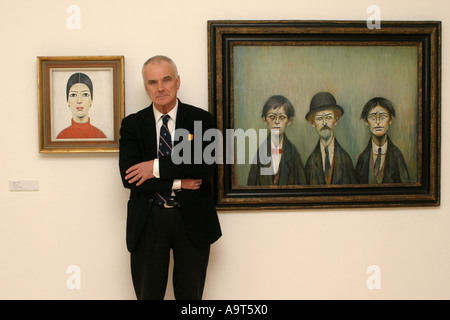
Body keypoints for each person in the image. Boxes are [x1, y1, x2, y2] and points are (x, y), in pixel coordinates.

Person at [118, 55, 222, 300]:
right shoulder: (132, 125)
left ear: (177, 81)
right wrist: (179, 182)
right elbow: (130, 177)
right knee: (148, 295)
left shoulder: (201, 119)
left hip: (192, 219)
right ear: (146, 88)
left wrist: (153, 166)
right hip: (149, 219)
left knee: (191, 298)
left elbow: (204, 165)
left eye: (166, 80)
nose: (160, 87)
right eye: (153, 82)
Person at [247, 95, 306, 185]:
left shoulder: (293, 153)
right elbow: (251, 186)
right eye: (272, 117)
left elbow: (302, 186)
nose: (277, 121)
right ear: (264, 119)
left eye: (282, 117)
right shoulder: (260, 153)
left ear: (289, 120)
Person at [304, 92, 358, 185]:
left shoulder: (346, 160)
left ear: (336, 120)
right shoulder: (310, 162)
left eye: (328, 117)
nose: (324, 123)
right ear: (313, 123)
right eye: (320, 119)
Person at [355, 97, 410, 183]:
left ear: (390, 119)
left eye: (383, 117)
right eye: (372, 117)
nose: (378, 121)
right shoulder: (362, 159)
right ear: (366, 121)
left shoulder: (397, 157)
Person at [57, 72, 106, 139]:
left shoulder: (100, 136)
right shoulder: (61, 137)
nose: (79, 101)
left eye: (85, 94)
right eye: (73, 95)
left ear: (91, 100)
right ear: (67, 100)